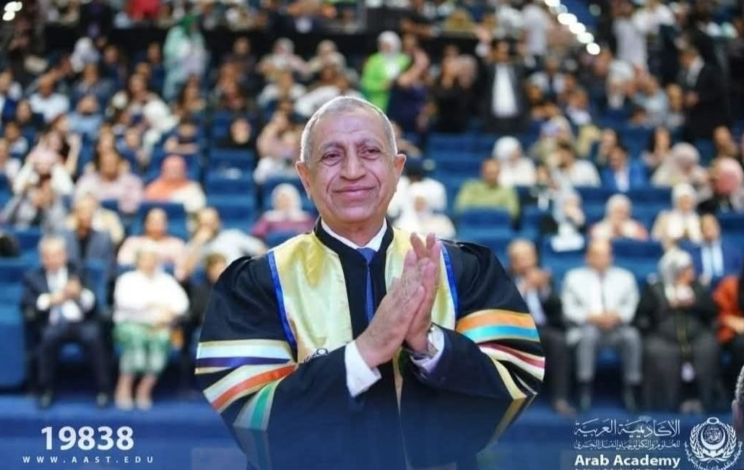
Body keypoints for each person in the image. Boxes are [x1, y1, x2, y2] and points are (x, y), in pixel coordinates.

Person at [196, 97, 543, 469]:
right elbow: (249, 416)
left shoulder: (460, 270)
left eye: (370, 152)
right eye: (331, 156)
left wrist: (430, 344)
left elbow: (515, 382)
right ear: (305, 177)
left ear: (397, 170)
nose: (352, 170)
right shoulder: (258, 283)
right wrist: (363, 353)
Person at [21, 236, 110, 409]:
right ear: (42, 258)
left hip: (80, 322)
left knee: (94, 337)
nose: (53, 260)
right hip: (52, 323)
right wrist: (51, 300)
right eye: (48, 256)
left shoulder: (78, 272)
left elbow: (93, 303)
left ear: (64, 255)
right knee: (47, 339)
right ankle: (45, 391)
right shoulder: (33, 277)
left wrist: (79, 294)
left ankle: (103, 390)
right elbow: (27, 305)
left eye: (57, 255)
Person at [635, 249, 720, 412]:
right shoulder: (655, 289)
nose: (691, 273)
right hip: (662, 337)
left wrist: (695, 303)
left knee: (708, 348)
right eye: (687, 270)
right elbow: (641, 318)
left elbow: (712, 312)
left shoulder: (698, 287)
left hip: (697, 336)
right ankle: (663, 406)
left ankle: (705, 401)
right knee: (658, 352)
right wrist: (668, 305)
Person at [562, 240, 641, 412]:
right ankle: (584, 387)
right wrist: (592, 317)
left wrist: (617, 316)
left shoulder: (625, 277)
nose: (602, 259)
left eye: (606, 255)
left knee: (632, 336)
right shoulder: (573, 277)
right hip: (586, 327)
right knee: (588, 335)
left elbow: (631, 306)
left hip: (617, 327)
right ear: (587, 257)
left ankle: (631, 388)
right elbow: (569, 310)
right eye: (597, 255)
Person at [113, 245, 189, 410]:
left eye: (153, 259)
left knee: (162, 342)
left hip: (160, 326)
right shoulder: (127, 279)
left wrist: (170, 312)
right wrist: (153, 304)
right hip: (132, 324)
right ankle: (124, 387)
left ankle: (144, 389)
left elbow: (181, 303)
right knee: (136, 344)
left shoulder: (166, 280)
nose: (149, 263)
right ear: (138, 261)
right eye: (145, 259)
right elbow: (124, 302)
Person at [508, 239, 575, 417]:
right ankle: (517, 398)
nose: (526, 263)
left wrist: (543, 289)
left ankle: (560, 398)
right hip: (516, 329)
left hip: (544, 328)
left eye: (529, 257)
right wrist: (523, 289)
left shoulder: (546, 277)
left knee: (558, 341)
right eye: (520, 259)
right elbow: (502, 310)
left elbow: (557, 309)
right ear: (512, 262)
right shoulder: (504, 279)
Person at [177, 207, 265, 280]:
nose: (209, 226)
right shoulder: (194, 245)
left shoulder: (233, 236)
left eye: (212, 221)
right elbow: (184, 275)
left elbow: (260, 250)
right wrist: (198, 243)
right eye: (204, 223)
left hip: (238, 281)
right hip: (211, 288)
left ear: (219, 222)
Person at [679, 43, 728, 141]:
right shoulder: (685, 74)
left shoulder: (710, 71)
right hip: (694, 123)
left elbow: (720, 91)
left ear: (687, 57)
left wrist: (699, 98)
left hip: (710, 121)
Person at [62, 195, 115, 282]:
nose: (87, 216)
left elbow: (109, 267)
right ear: (75, 213)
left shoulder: (104, 238)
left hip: (95, 282)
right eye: (83, 212)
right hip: (70, 282)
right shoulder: (65, 237)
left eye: (90, 212)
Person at [75, 149, 144, 215]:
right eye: (106, 163)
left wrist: (107, 204)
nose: (109, 166)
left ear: (119, 164)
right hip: (96, 219)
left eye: (112, 162)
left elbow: (137, 205)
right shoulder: (87, 181)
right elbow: (78, 202)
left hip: (124, 218)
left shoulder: (132, 182)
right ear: (99, 164)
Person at [480, 39, 527, 134]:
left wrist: (523, 55)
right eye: (501, 51)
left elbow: (531, 68)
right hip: (492, 119)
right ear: (494, 52)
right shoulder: (487, 70)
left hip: (516, 119)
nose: (504, 54)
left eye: (506, 51)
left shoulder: (518, 69)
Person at [715, 260, 744, 386]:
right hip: (734, 334)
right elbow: (714, 312)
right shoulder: (730, 285)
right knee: (742, 346)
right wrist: (730, 320)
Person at [688, 214, 744, 287]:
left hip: (726, 288)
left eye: (712, 227)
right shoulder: (693, 253)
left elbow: (739, 272)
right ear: (701, 231)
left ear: (718, 228)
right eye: (706, 228)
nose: (709, 232)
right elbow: (691, 275)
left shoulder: (733, 250)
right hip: (703, 289)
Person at [117, 208, 186, 267]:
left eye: (161, 220)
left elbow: (182, 269)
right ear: (145, 223)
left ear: (167, 224)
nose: (157, 223)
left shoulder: (177, 244)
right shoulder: (132, 242)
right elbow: (124, 263)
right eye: (153, 220)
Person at [454, 158, 520, 219]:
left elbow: (513, 213)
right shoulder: (469, 187)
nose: (492, 176)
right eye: (489, 173)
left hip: (497, 225)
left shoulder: (507, 191)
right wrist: (494, 209)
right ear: (482, 172)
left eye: (495, 173)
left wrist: (478, 208)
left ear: (499, 173)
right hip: (473, 223)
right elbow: (460, 208)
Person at [361, 31, 410, 112]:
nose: (385, 48)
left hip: (402, 101)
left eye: (388, 45)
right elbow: (365, 83)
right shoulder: (373, 60)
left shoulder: (405, 59)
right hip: (379, 104)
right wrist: (382, 86)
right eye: (382, 45)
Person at [251, 183, 316, 240]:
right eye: (281, 200)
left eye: (287, 199)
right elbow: (257, 235)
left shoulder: (305, 219)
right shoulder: (268, 218)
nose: (284, 203)